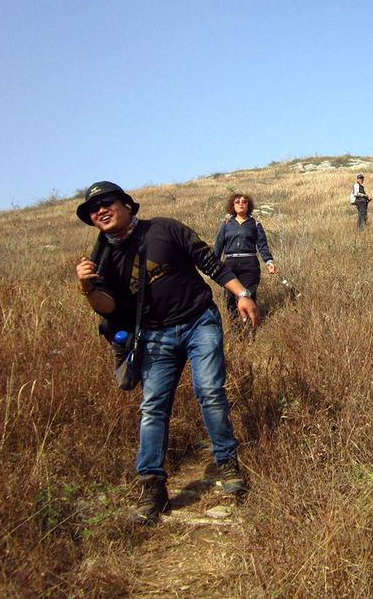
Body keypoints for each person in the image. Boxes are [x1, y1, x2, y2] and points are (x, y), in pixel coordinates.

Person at [74, 181, 258, 524]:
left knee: (210, 391)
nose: (100, 210)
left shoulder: (165, 228)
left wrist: (242, 293)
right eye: (92, 209)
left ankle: (227, 463)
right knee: (154, 407)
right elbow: (109, 307)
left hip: (199, 320)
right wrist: (87, 289)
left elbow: (208, 261)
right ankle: (153, 484)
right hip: (154, 336)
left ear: (128, 205)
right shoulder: (101, 258)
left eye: (107, 202)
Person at [213, 193, 277, 316]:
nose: (241, 204)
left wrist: (269, 262)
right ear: (233, 205)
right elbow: (218, 245)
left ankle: (251, 329)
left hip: (250, 264)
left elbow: (262, 246)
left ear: (249, 205)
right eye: (237, 202)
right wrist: (213, 264)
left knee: (249, 296)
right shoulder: (226, 224)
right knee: (230, 299)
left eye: (244, 202)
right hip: (230, 265)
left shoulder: (255, 224)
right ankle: (236, 329)